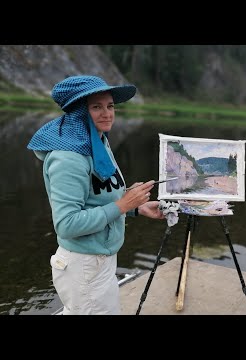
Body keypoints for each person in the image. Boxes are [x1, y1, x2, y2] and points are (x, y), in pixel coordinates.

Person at [27, 75, 165, 315]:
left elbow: (99, 196)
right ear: (79, 112)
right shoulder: (68, 158)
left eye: (110, 106)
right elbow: (67, 225)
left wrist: (135, 207)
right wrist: (122, 205)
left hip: (99, 261)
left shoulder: (96, 142)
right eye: (96, 107)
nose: (107, 113)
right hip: (83, 265)